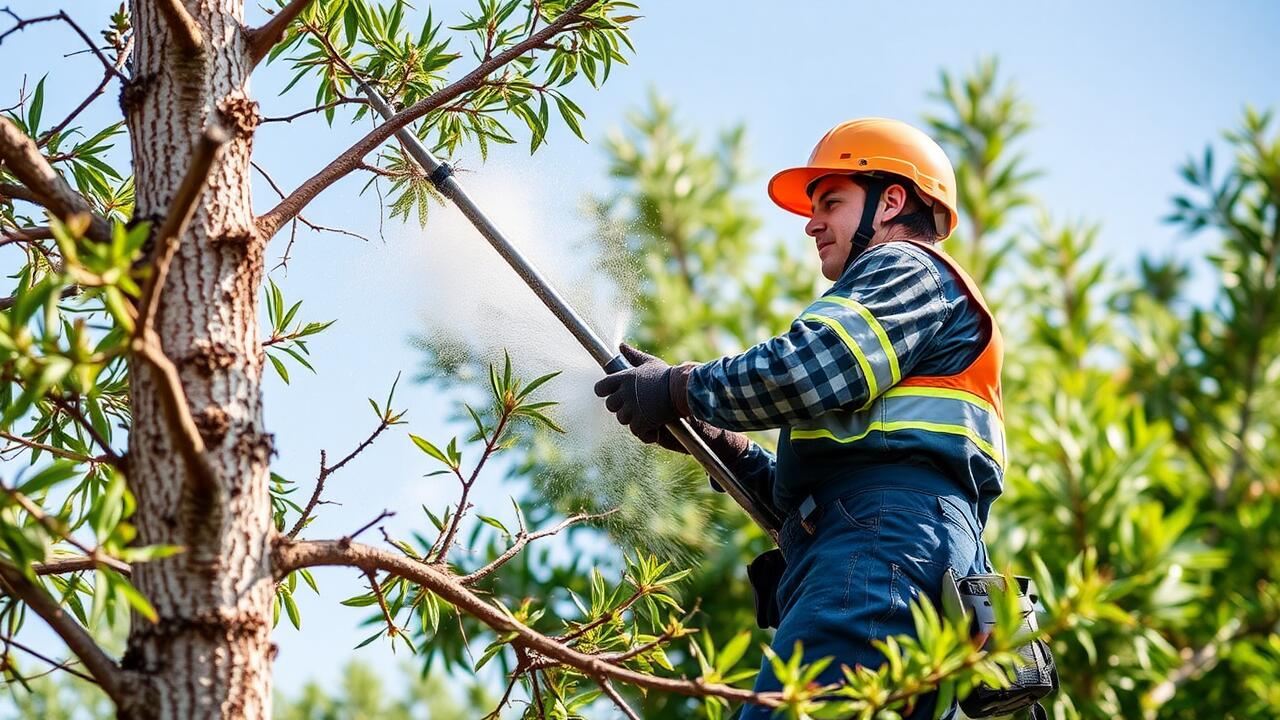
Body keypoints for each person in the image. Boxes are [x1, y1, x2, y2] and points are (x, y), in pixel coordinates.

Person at [593, 118, 1005, 719]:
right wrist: (720, 443)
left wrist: (682, 388)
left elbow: (812, 369)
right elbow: (844, 474)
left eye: (830, 202)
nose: (812, 223)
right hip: (897, 550)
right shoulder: (908, 327)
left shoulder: (906, 268)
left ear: (891, 200)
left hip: (883, 548)